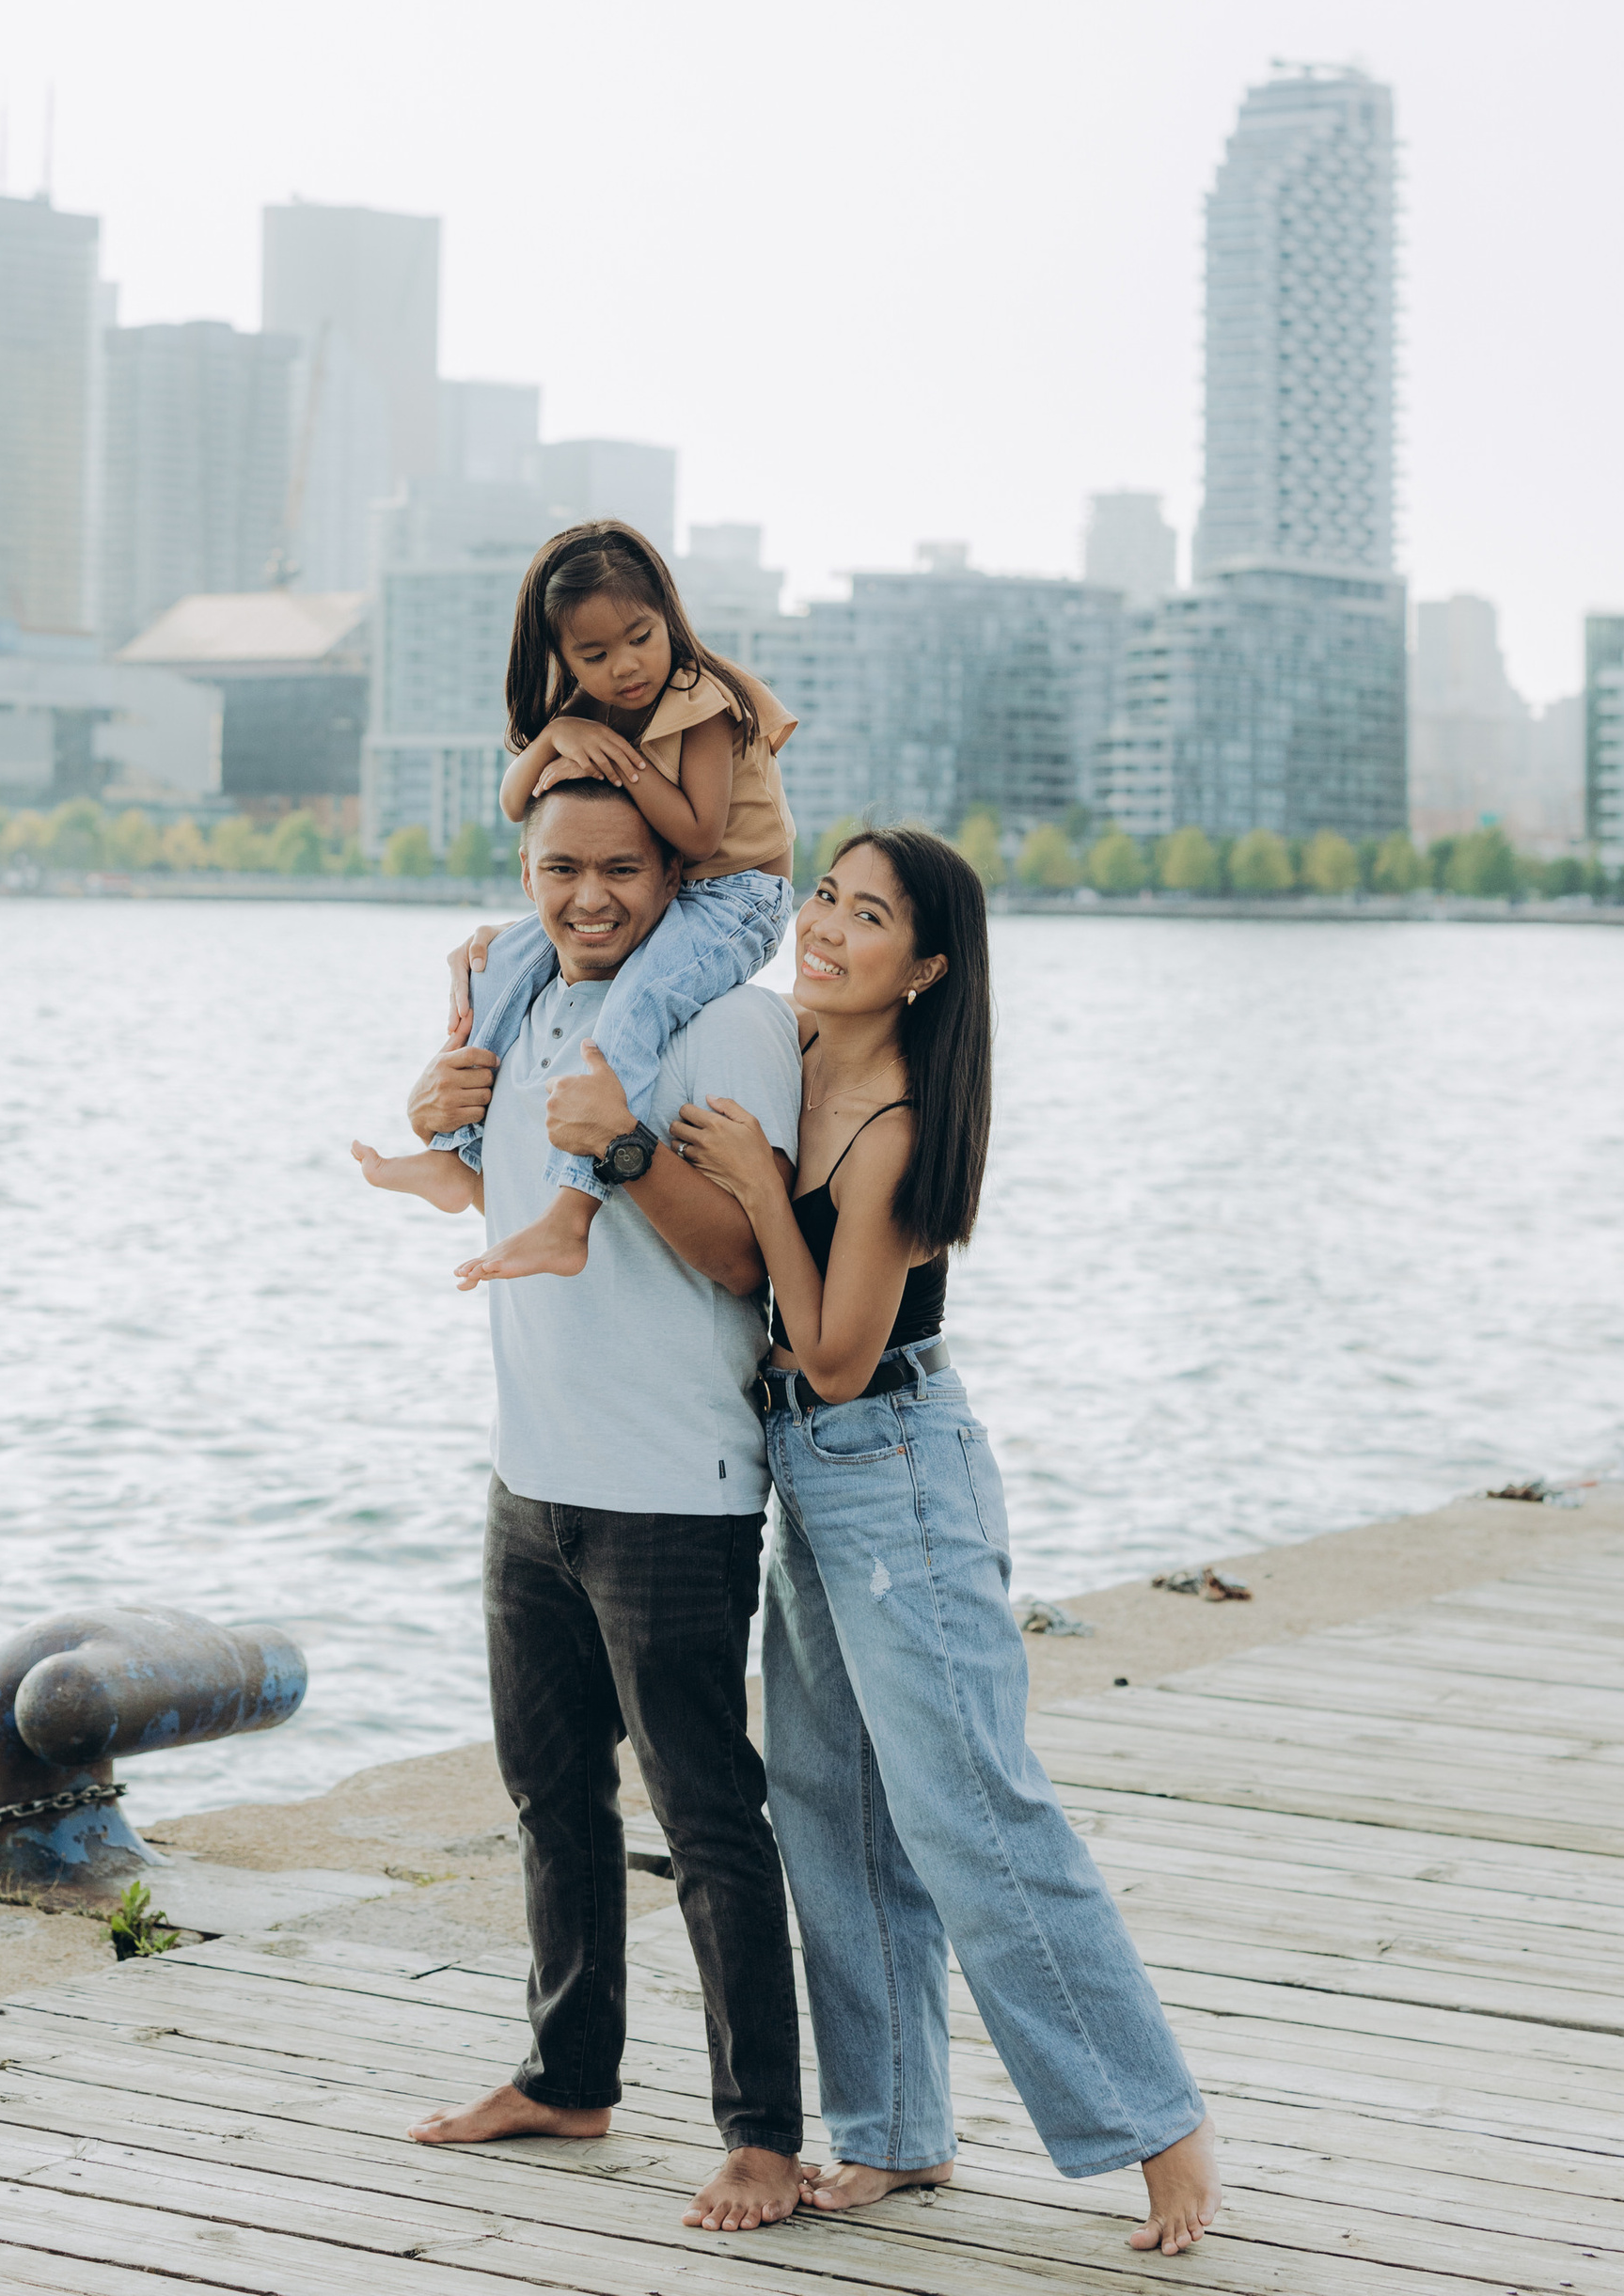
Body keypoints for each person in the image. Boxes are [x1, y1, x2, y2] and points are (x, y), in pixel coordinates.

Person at [670, 826, 1224, 2258]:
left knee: (971, 1810)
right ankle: (897, 2131)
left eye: (871, 919)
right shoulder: (782, 1042)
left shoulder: (904, 1119)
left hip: (895, 1466)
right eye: (828, 901)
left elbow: (840, 1353)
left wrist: (750, 1186)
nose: (831, 930)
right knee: (830, 1805)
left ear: (925, 969)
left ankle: (1162, 2129)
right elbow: (671, 951)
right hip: (814, 1474)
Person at [369, 772, 810, 2231]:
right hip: (532, 1476)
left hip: (670, 1493)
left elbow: (749, 1267)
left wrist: (619, 1149)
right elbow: (482, 1192)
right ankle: (569, 2075)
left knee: (706, 1818)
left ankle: (760, 2134)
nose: (593, 897)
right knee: (552, 1800)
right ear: (526, 864)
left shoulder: (725, 1018)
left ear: (678, 874)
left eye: (625, 867)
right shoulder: (520, 997)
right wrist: (429, 1123)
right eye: (563, 867)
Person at [354, 520, 797, 1286]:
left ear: (670, 618)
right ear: (561, 657)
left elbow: (696, 834)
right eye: (593, 656)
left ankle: (571, 1213)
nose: (626, 668)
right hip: (669, 888)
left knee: (638, 1001)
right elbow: (511, 799)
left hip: (736, 897)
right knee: (500, 958)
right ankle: (459, 1157)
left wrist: (620, 767)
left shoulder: (702, 698)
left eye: (640, 637)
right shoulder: (589, 708)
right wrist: (557, 735)